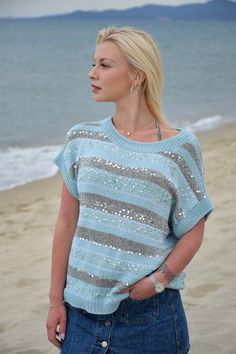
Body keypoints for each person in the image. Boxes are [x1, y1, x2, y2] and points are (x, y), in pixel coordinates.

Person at [46, 26, 213, 354]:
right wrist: (55, 302)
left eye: (105, 65)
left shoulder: (179, 148)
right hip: (79, 314)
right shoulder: (81, 139)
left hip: (150, 318)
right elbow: (65, 224)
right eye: (93, 63)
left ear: (137, 75)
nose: (92, 73)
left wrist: (156, 282)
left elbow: (193, 230)